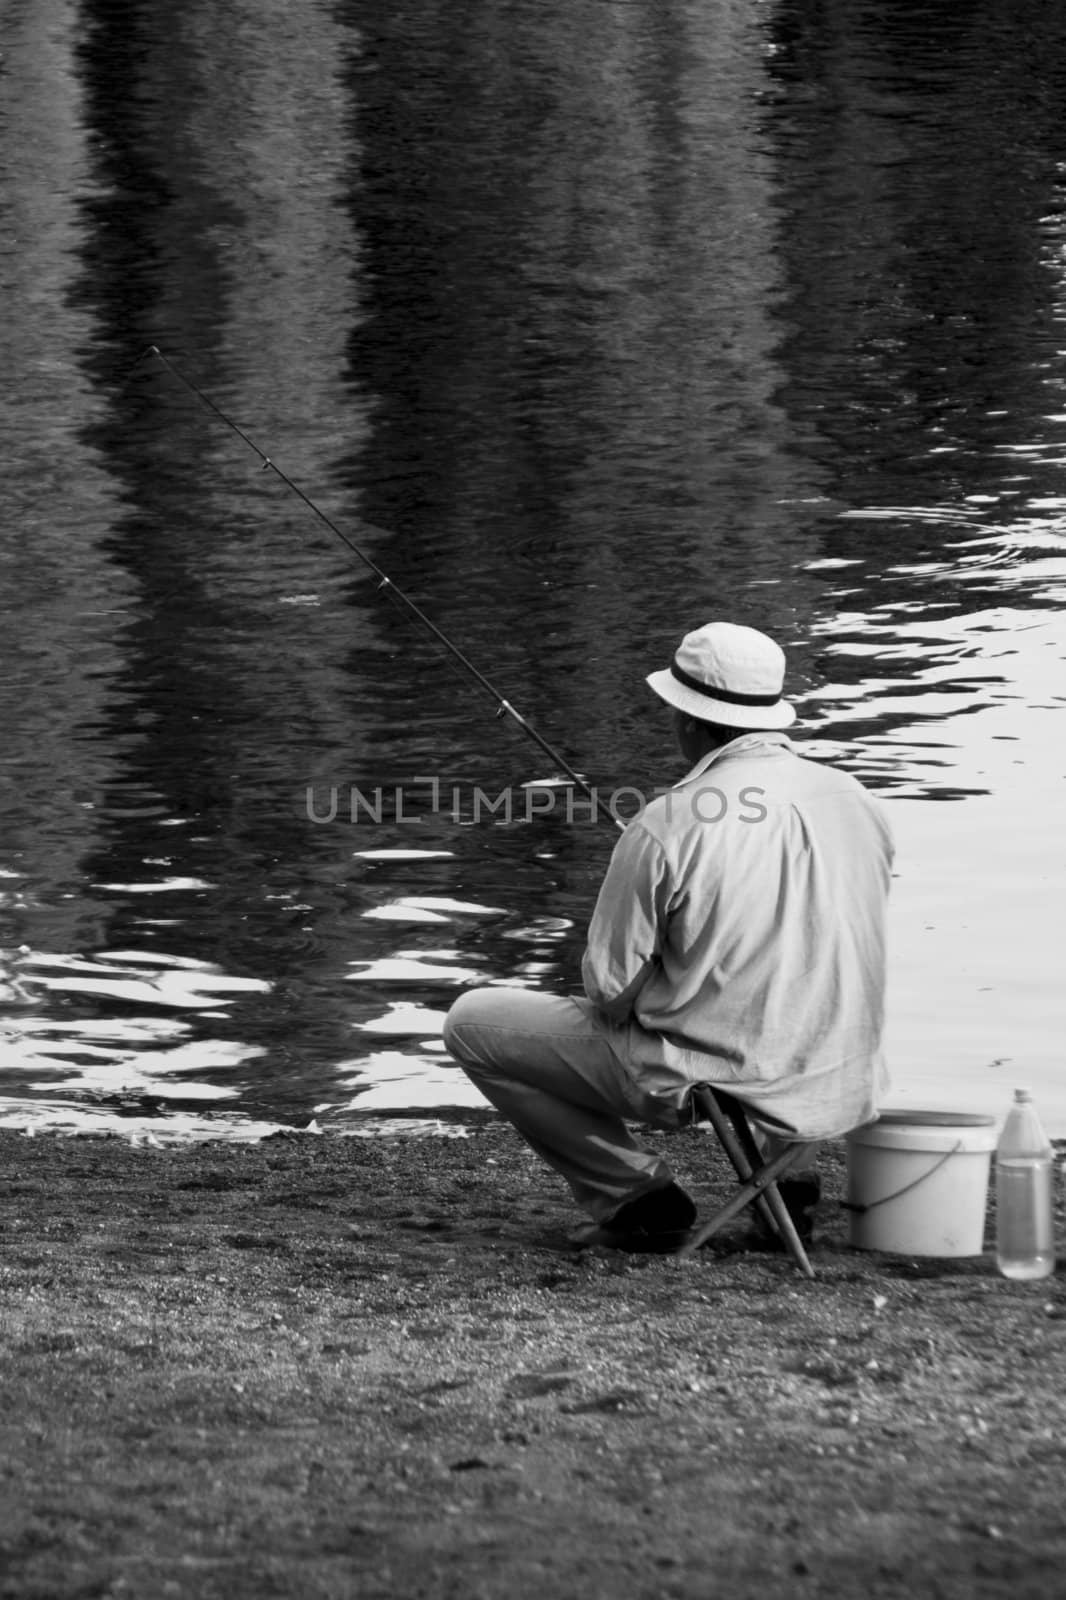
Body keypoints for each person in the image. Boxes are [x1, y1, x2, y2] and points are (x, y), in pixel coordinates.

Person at [443, 620, 894, 1251]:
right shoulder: (856, 798)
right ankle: (790, 1184)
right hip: (841, 1062)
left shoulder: (669, 823)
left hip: (717, 1075)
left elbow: (609, 990)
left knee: (471, 1022)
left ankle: (638, 1201)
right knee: (796, 982)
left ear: (688, 718)